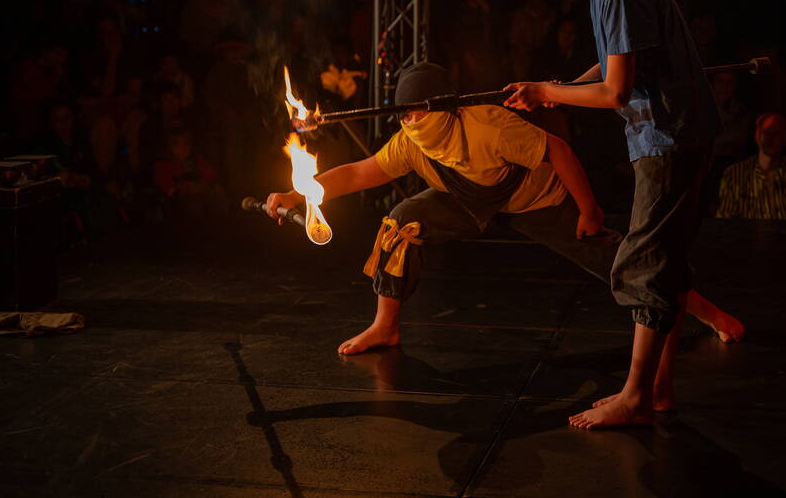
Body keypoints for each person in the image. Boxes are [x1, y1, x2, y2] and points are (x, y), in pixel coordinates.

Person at [267, 63, 742, 359]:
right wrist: (297, 193)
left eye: (416, 111)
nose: (409, 120)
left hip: (534, 200)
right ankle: (385, 326)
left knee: (619, 261)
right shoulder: (410, 142)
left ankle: (709, 313)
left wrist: (589, 209)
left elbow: (557, 149)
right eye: (404, 113)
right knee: (401, 221)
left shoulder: (488, 126)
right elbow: (357, 174)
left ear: (443, 108)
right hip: (465, 202)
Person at [504, 0, 724, 429]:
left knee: (644, 263)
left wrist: (550, 92)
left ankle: (635, 397)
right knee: (665, 264)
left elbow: (617, 92)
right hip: (669, 134)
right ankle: (657, 391)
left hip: (669, 138)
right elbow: (612, 67)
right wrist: (557, 88)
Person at [716, 112, 786, 221]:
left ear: (784, 138)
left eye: (776, 133)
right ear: (757, 135)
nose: (770, 138)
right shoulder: (734, 174)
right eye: (766, 132)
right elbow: (724, 220)